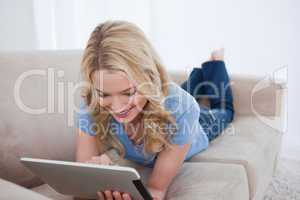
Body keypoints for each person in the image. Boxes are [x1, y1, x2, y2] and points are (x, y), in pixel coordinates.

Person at [75, 20, 234, 200]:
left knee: (225, 111)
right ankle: (198, 74)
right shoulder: (91, 104)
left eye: (128, 93)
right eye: (104, 94)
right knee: (175, 97)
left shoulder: (183, 109)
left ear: (150, 77)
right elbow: (83, 184)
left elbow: (156, 190)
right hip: (163, 100)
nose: (118, 108)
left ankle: (216, 62)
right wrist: (97, 177)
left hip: (200, 124)